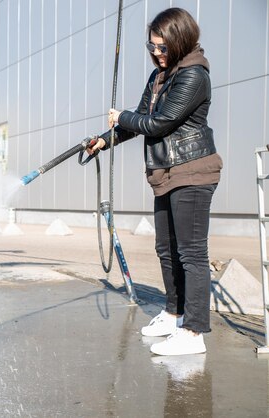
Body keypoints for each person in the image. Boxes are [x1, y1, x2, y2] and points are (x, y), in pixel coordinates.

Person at [87, 7, 222, 356]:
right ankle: (174, 313)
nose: (156, 53)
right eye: (151, 47)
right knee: (166, 249)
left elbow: (159, 122)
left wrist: (124, 117)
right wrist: (105, 138)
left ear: (180, 43)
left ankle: (194, 333)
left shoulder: (193, 75)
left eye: (162, 48)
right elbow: (139, 121)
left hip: (193, 171)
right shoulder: (158, 77)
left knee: (191, 253)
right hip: (165, 173)